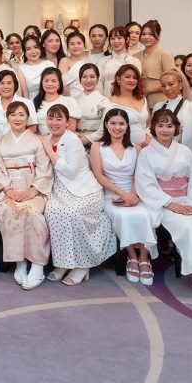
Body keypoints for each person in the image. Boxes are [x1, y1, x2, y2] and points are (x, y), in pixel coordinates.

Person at [135, 109, 192, 302]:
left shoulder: (185, 151)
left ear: (176, 128)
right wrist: (170, 204)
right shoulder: (146, 153)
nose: (165, 130)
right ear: (153, 128)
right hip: (163, 204)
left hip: (188, 202)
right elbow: (145, 184)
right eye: (160, 125)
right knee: (187, 229)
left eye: (169, 125)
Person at [41, 104, 117, 285]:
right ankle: (63, 263)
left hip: (84, 189)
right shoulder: (46, 138)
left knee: (72, 213)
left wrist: (50, 152)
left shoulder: (72, 140)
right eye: (51, 118)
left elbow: (71, 172)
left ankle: (83, 265)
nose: (54, 123)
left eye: (59, 119)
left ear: (67, 122)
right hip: (60, 188)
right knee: (53, 212)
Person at [0, 101, 53, 290]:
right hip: (9, 191)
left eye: (21, 114)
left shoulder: (37, 141)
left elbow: (44, 169)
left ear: (28, 118)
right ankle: (20, 262)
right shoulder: (0, 142)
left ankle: (38, 265)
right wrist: (8, 190)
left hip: (33, 191)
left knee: (32, 215)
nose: (17, 118)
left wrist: (32, 191)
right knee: (9, 213)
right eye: (13, 114)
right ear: (7, 118)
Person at [92, 108, 155, 285]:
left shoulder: (136, 148)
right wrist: (123, 195)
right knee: (123, 215)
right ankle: (131, 256)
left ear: (127, 126)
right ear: (106, 125)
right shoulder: (98, 146)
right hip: (112, 195)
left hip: (135, 194)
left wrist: (133, 195)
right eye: (113, 123)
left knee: (147, 213)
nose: (117, 127)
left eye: (121, 123)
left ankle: (144, 258)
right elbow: (99, 175)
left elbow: (138, 175)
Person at [153, 70, 192, 163]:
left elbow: (191, 139)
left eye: (171, 84)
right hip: (160, 153)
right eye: (163, 85)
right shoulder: (158, 106)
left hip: (181, 156)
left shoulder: (191, 107)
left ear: (180, 85)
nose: (167, 88)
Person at [0, 70, 37, 139]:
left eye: (9, 83)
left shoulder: (27, 103)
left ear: (15, 85)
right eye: (2, 83)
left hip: (20, 144)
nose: (5, 86)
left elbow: (33, 127)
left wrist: (19, 140)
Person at [133, 20, 173, 106]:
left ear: (158, 35)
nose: (146, 37)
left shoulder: (164, 54)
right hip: (139, 102)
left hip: (160, 101)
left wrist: (149, 89)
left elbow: (172, 80)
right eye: (143, 34)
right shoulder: (135, 56)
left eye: (151, 34)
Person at [108, 64, 150, 147]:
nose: (132, 80)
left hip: (147, 147)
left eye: (135, 77)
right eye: (127, 77)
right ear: (118, 79)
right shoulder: (111, 102)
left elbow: (149, 123)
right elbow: (109, 129)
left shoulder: (142, 98)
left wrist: (148, 139)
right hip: (124, 147)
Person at [33, 67, 80, 133]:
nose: (50, 84)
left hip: (64, 138)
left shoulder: (69, 101)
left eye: (54, 81)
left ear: (59, 84)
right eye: (46, 81)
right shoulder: (34, 103)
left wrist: (55, 138)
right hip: (41, 138)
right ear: (42, 83)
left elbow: (71, 128)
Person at [74, 63, 109, 146]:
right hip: (77, 141)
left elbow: (105, 125)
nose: (88, 80)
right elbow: (69, 124)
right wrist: (77, 138)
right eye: (84, 77)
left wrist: (88, 139)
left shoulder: (104, 101)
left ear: (98, 78)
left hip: (97, 143)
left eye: (92, 77)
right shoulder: (74, 101)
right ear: (80, 79)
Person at [100, 26, 141, 96]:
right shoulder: (103, 61)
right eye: (112, 38)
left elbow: (135, 84)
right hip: (106, 99)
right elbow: (98, 84)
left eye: (119, 38)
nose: (116, 41)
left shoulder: (134, 61)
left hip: (127, 99)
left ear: (127, 39)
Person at [19, 35, 55, 102]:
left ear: (40, 48)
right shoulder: (20, 69)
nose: (33, 52)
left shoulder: (49, 64)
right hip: (32, 104)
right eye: (28, 49)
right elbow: (25, 95)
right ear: (24, 52)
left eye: (35, 47)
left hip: (52, 102)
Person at [59, 31, 89, 100]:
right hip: (71, 99)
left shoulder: (88, 60)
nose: (76, 46)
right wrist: (68, 102)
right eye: (72, 44)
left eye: (79, 43)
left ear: (84, 45)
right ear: (67, 46)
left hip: (88, 97)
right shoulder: (64, 61)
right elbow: (64, 85)